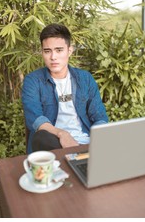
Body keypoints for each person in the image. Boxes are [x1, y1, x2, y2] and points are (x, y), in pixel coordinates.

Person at [22, 23, 108, 153]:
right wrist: (62, 134)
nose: (53, 57)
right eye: (47, 51)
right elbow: (36, 119)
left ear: (70, 50)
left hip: (86, 142)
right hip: (53, 145)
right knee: (42, 136)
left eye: (59, 50)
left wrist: (96, 143)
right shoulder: (33, 81)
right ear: (42, 52)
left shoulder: (85, 79)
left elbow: (100, 117)